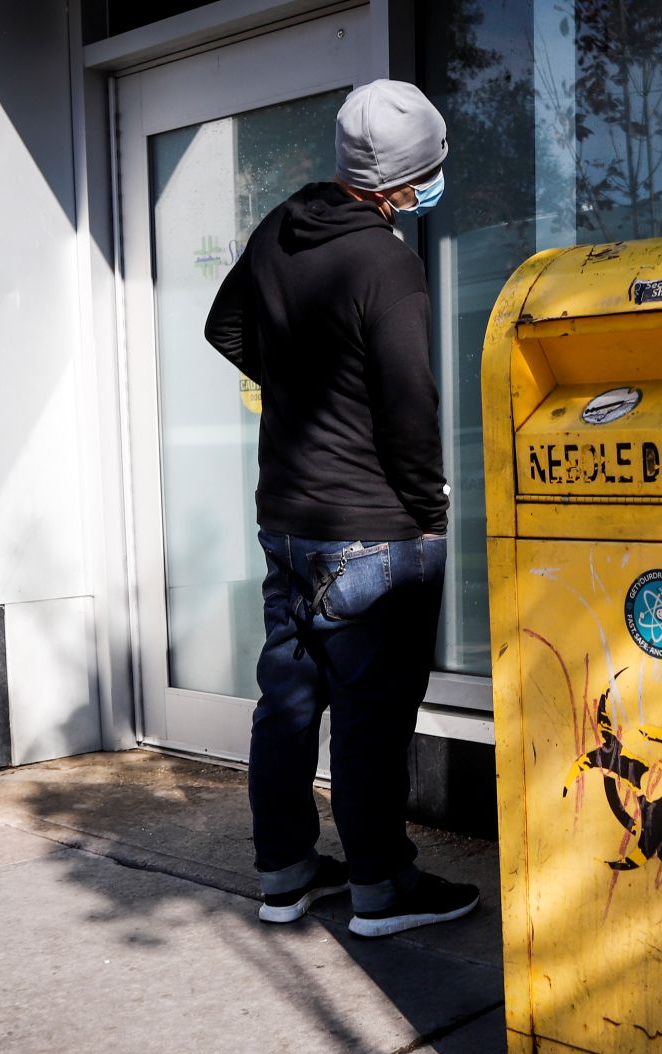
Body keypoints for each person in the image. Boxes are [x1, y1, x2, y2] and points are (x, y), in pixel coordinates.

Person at [205, 79, 478, 939]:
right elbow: (409, 407)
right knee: (372, 712)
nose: (433, 183)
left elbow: (227, 329)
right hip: (374, 527)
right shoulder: (387, 263)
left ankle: (285, 873)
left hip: (288, 518)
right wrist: (429, 512)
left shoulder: (282, 225)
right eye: (429, 170)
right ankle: (381, 889)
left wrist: (299, 393)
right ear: (403, 182)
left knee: (287, 699)